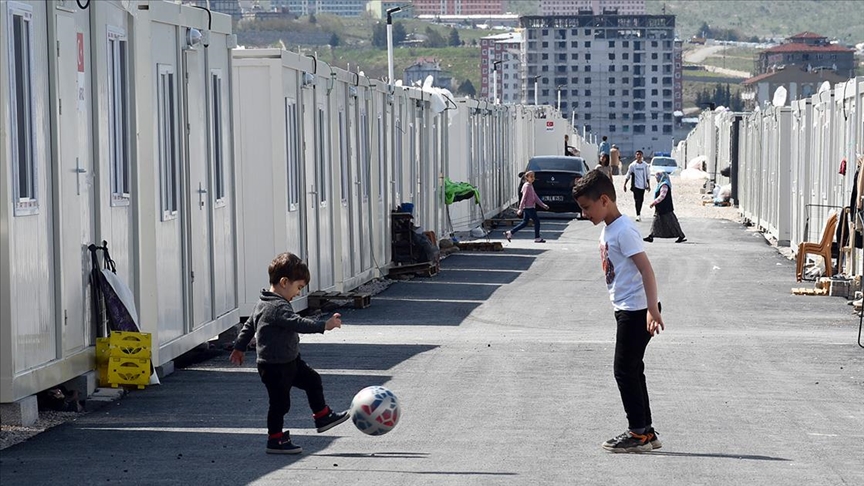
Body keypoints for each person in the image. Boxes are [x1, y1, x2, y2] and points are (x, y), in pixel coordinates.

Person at [571, 170, 665, 454]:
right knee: (633, 370)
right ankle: (646, 431)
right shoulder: (610, 228)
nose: (585, 214)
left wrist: (651, 309)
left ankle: (637, 433)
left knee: (623, 370)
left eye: (587, 208)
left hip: (637, 310)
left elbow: (646, 270)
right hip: (628, 308)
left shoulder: (624, 230)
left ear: (604, 200)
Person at [230, 252, 349, 454]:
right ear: (284, 282)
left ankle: (322, 416)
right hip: (275, 367)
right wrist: (324, 325)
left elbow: (249, 326)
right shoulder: (276, 307)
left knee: (312, 380)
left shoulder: (263, 302)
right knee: (280, 403)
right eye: (298, 287)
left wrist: (239, 347)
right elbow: (298, 323)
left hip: (290, 361)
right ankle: (275, 440)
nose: (298, 293)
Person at [505, 170, 550, 243]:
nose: (533, 178)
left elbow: (535, 197)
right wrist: (520, 209)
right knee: (537, 221)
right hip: (529, 207)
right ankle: (537, 237)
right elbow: (524, 198)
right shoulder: (526, 186)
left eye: (533, 176)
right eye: (531, 176)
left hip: (530, 207)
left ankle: (510, 232)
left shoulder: (530, 186)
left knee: (524, 223)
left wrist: (543, 205)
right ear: (527, 178)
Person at [643, 172, 687, 243]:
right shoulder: (661, 184)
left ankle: (681, 235)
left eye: (657, 178)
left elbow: (662, 196)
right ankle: (651, 236)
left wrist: (654, 203)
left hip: (665, 207)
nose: (656, 180)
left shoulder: (664, 185)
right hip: (661, 208)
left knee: (672, 222)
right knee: (656, 222)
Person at [622, 150, 651, 221]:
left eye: (640, 154)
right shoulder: (633, 165)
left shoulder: (645, 165)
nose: (639, 156)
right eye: (637, 154)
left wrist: (648, 185)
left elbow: (648, 176)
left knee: (641, 200)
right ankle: (638, 214)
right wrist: (625, 184)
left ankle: (639, 212)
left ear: (642, 156)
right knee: (636, 200)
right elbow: (628, 174)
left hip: (643, 186)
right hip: (635, 186)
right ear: (635, 156)